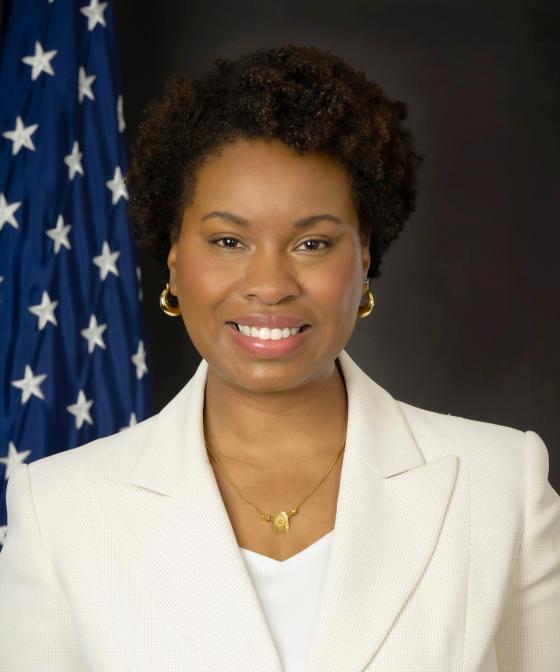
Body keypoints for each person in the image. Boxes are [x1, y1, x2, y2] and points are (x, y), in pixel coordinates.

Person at [0, 44, 558, 672]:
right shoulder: (58, 509)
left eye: (312, 242)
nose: (269, 284)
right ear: (175, 258)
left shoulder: (500, 487)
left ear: (364, 256)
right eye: (228, 240)